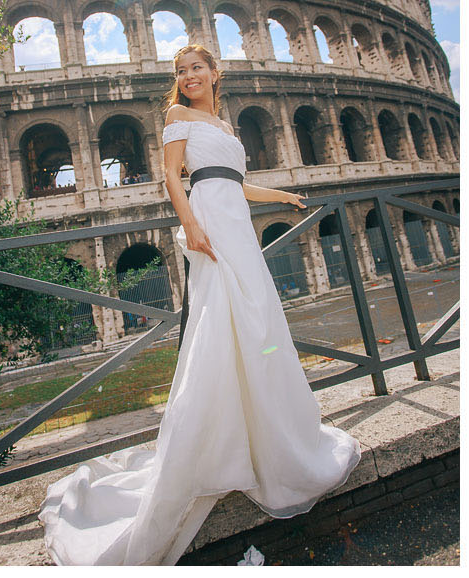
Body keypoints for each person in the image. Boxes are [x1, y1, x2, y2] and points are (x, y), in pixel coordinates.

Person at [38, 44, 359, 565]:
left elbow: (234, 182)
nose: (188, 76)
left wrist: (281, 197)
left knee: (255, 321)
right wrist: (190, 224)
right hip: (208, 219)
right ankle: (220, 443)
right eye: (180, 71)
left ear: (215, 73)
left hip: (234, 216)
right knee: (222, 321)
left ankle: (261, 436)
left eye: (196, 68)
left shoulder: (226, 126)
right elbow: (173, 175)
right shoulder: (177, 115)